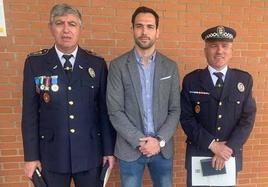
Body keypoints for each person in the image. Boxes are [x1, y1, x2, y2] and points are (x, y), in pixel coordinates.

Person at [21, 3, 115, 187]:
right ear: (51, 28)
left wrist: (108, 151)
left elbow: (104, 112)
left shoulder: (96, 64)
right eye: (59, 23)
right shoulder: (35, 63)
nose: (66, 30)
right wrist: (31, 157)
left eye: (72, 24)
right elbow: (30, 115)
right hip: (51, 155)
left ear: (80, 29)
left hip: (89, 154)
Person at [107, 6, 181, 187]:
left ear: (157, 32)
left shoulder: (170, 67)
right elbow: (115, 110)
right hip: (130, 149)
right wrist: (140, 141)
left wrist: (159, 140)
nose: (144, 32)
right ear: (132, 29)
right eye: (139, 26)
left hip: (162, 150)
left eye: (150, 27)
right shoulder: (118, 66)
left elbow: (175, 109)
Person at [180, 25, 257, 187]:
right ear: (205, 50)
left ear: (231, 51)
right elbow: (186, 118)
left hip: (229, 156)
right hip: (199, 154)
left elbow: (247, 119)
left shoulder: (243, 80)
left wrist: (227, 149)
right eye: (214, 46)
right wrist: (213, 145)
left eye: (225, 46)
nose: (219, 51)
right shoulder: (191, 80)